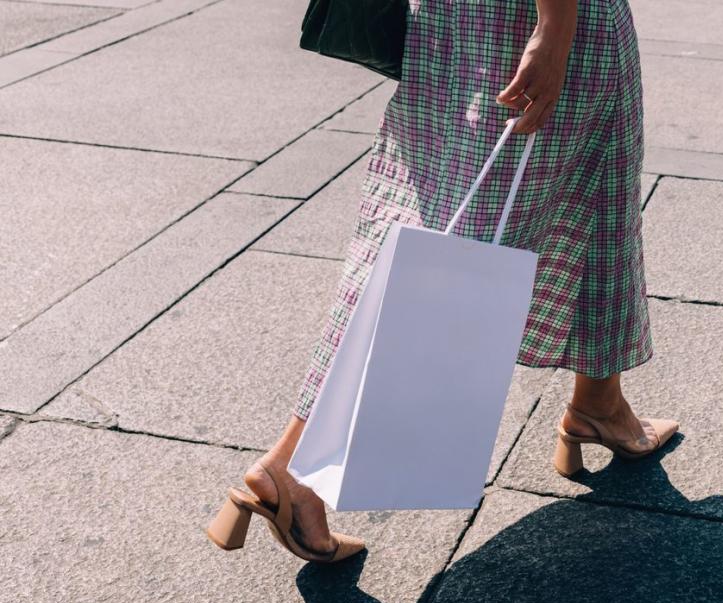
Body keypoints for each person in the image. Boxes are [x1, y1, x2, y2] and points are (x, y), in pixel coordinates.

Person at [206, 0, 678, 563]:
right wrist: (555, 29)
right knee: (459, 251)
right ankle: (290, 467)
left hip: (451, 20)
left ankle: (600, 401)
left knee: (553, 205)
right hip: (533, 20)